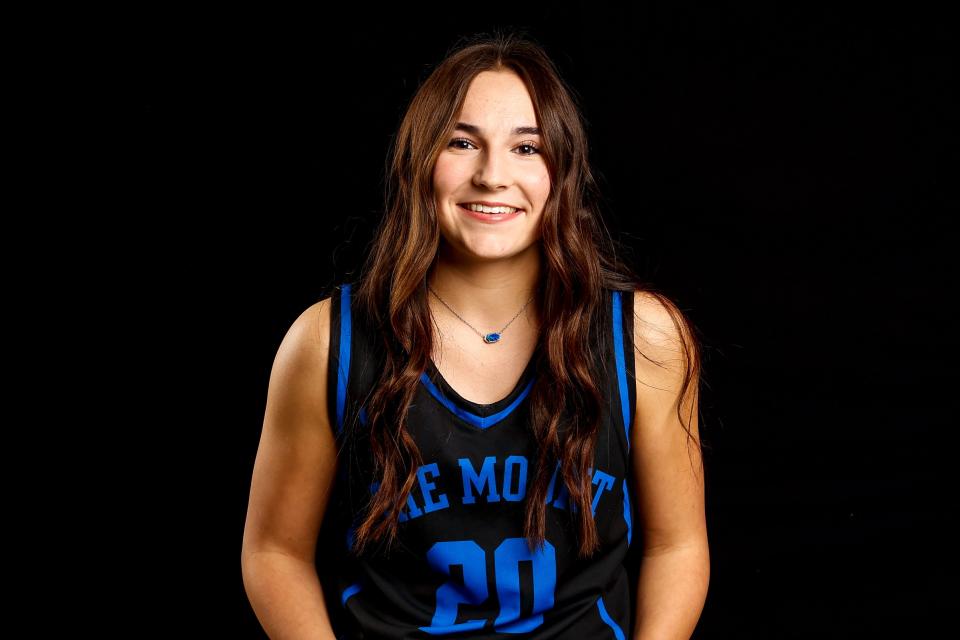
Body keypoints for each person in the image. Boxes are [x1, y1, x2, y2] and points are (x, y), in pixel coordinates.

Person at [242, 30, 709, 639]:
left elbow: (678, 548)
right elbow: (274, 552)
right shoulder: (329, 340)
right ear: (420, 160)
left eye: (527, 148)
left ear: (562, 172)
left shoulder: (644, 337)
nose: (492, 175)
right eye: (463, 143)